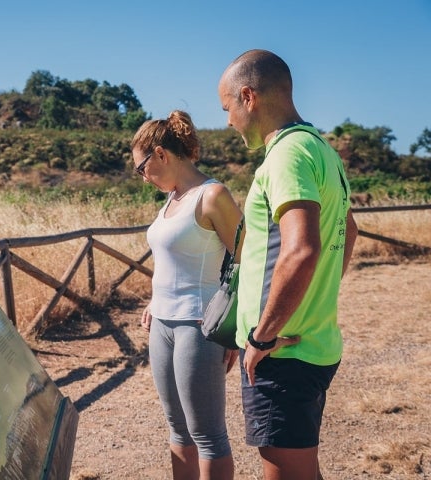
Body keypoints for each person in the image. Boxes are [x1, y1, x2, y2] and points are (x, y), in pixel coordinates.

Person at [217, 49, 359, 480]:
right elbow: (349, 232)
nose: (227, 121)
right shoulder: (322, 150)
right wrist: (314, 298)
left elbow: (301, 249)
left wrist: (262, 337)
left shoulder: (285, 155)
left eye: (227, 109)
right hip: (312, 343)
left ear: (248, 97)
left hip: (282, 354)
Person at [131, 110, 243, 480]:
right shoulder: (171, 199)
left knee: (208, 435)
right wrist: (153, 301)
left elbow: (246, 262)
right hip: (161, 323)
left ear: (161, 154)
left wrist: (233, 328)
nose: (142, 176)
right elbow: (173, 259)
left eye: (142, 167)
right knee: (177, 429)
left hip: (199, 326)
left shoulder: (212, 196)